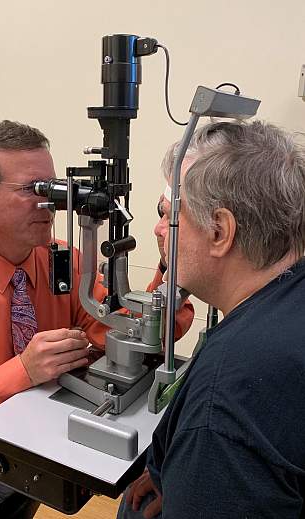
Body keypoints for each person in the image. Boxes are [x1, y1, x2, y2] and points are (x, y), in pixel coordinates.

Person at [0, 120, 194, 519]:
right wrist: (21, 372)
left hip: (37, 450)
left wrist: (173, 274)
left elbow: (121, 331)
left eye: (53, 188)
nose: (53, 203)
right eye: (34, 191)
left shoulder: (63, 260)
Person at [118, 120, 305, 518]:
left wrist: (207, 465)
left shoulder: (227, 397)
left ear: (220, 231)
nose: (156, 228)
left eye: (167, 214)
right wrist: (191, 474)